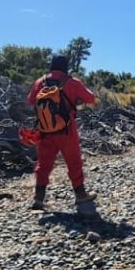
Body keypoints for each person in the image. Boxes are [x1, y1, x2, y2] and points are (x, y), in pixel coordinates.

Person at [25, 54, 96, 211]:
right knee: (74, 162)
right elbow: (90, 98)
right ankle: (80, 194)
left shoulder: (39, 82)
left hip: (45, 131)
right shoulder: (72, 82)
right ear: (66, 66)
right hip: (67, 130)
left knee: (43, 164)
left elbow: (31, 100)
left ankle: (38, 198)